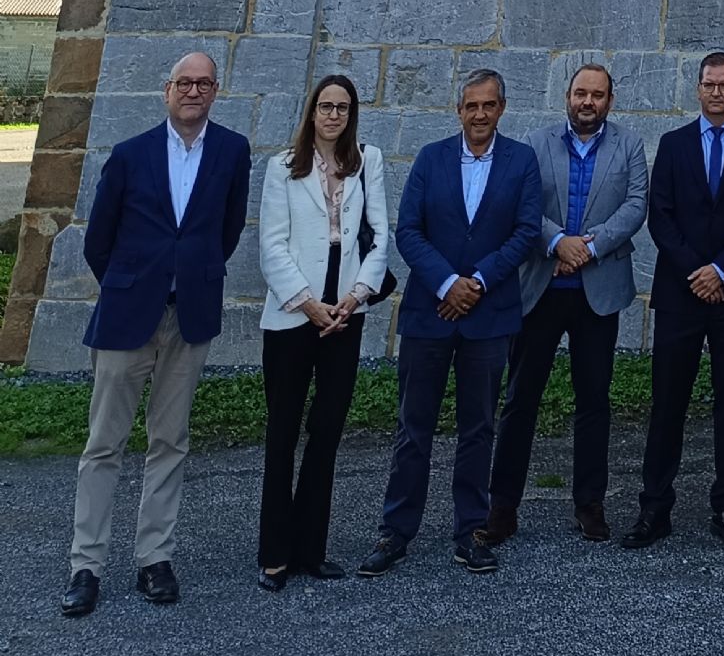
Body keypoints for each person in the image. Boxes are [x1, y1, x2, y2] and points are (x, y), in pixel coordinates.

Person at [60, 50, 252, 618]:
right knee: (104, 444)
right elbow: (99, 240)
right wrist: (132, 285)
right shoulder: (129, 155)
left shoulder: (232, 151)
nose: (194, 91)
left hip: (188, 318)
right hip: (127, 318)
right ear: (166, 90)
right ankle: (86, 565)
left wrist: (189, 277)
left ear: (215, 91)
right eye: (184, 83)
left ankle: (154, 559)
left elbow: (228, 229)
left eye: (204, 83)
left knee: (170, 441)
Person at [358, 69, 542, 578]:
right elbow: (408, 230)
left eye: (488, 105)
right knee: (413, 427)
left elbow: (527, 231)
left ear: (501, 108)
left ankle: (470, 531)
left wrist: (476, 283)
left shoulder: (521, 161)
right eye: (470, 106)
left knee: (478, 428)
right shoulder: (431, 157)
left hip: (489, 314)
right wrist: (446, 284)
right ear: (458, 110)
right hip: (429, 312)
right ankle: (396, 530)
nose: (479, 114)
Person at [483, 63, 648, 547]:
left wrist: (589, 248)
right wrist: (558, 243)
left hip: (598, 292)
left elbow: (636, 205)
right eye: (580, 93)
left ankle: (589, 504)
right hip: (540, 287)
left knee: (594, 400)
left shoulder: (629, 145)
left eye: (597, 95)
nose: (587, 102)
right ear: (567, 96)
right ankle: (502, 506)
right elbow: (522, 206)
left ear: (610, 101)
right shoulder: (535, 144)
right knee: (520, 400)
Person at [623, 50, 724, 550]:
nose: (715, 92)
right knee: (668, 402)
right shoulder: (673, 143)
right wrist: (696, 270)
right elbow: (659, 215)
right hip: (681, 293)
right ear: (698, 88)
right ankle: (655, 507)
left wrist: (722, 269)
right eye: (708, 84)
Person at [256, 73, 390, 587]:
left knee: (326, 434)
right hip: (294, 316)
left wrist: (355, 297)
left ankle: (311, 549)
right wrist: (309, 305)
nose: (334, 115)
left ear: (352, 113)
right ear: (311, 111)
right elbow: (272, 245)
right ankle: (274, 553)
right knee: (282, 434)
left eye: (343, 107)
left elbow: (381, 236)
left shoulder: (367, 162)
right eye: (325, 106)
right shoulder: (281, 168)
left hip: (346, 315)